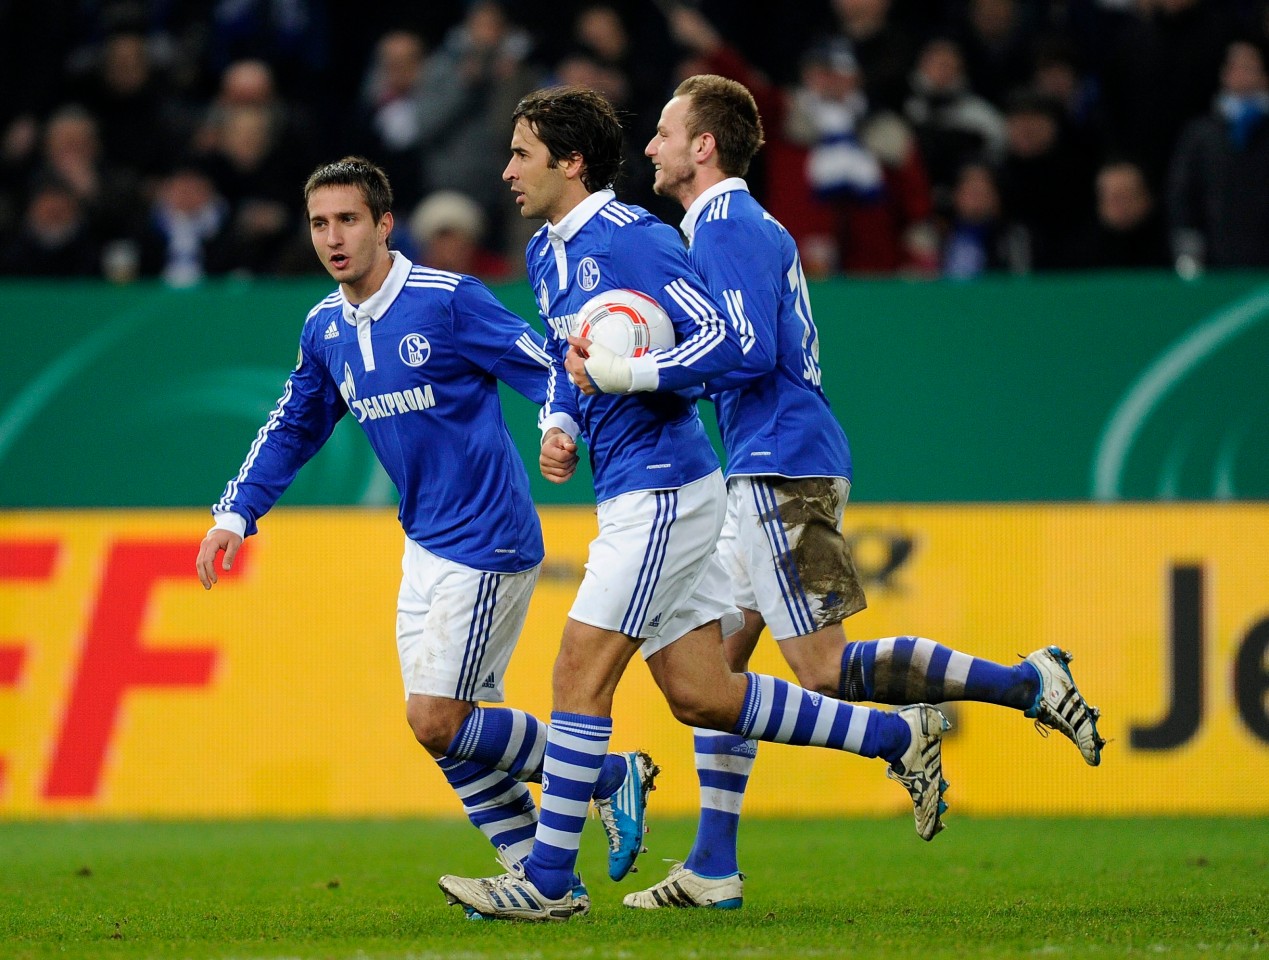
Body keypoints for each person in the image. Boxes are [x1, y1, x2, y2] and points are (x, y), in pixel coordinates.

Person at [437, 86, 954, 924]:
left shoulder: (637, 240)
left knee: (577, 669)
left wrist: (635, 374)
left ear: (570, 163)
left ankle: (548, 880)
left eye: (522, 153)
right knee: (704, 694)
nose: (506, 171)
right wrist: (561, 421)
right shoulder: (545, 256)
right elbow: (564, 362)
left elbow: (722, 335)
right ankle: (898, 736)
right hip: (626, 487)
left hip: (666, 487)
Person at [618, 74, 1106, 911]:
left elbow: (742, 350)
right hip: (765, 465)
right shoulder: (728, 226)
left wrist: (632, 370)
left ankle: (1023, 683)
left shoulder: (729, 223)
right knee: (716, 678)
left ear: (703, 146)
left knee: (820, 668)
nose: (652, 146)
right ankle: (711, 866)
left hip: (780, 465)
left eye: (665, 132)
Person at [195, 155, 653, 917]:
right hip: (427, 544)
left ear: (383, 224)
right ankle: (546, 879)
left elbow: (542, 362)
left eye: (348, 220)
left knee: (435, 716)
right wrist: (233, 515)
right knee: (449, 732)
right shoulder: (325, 328)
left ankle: (606, 775)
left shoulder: (445, 301)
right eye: (319, 223)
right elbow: (294, 424)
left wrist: (557, 425)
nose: (333, 237)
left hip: (489, 537)